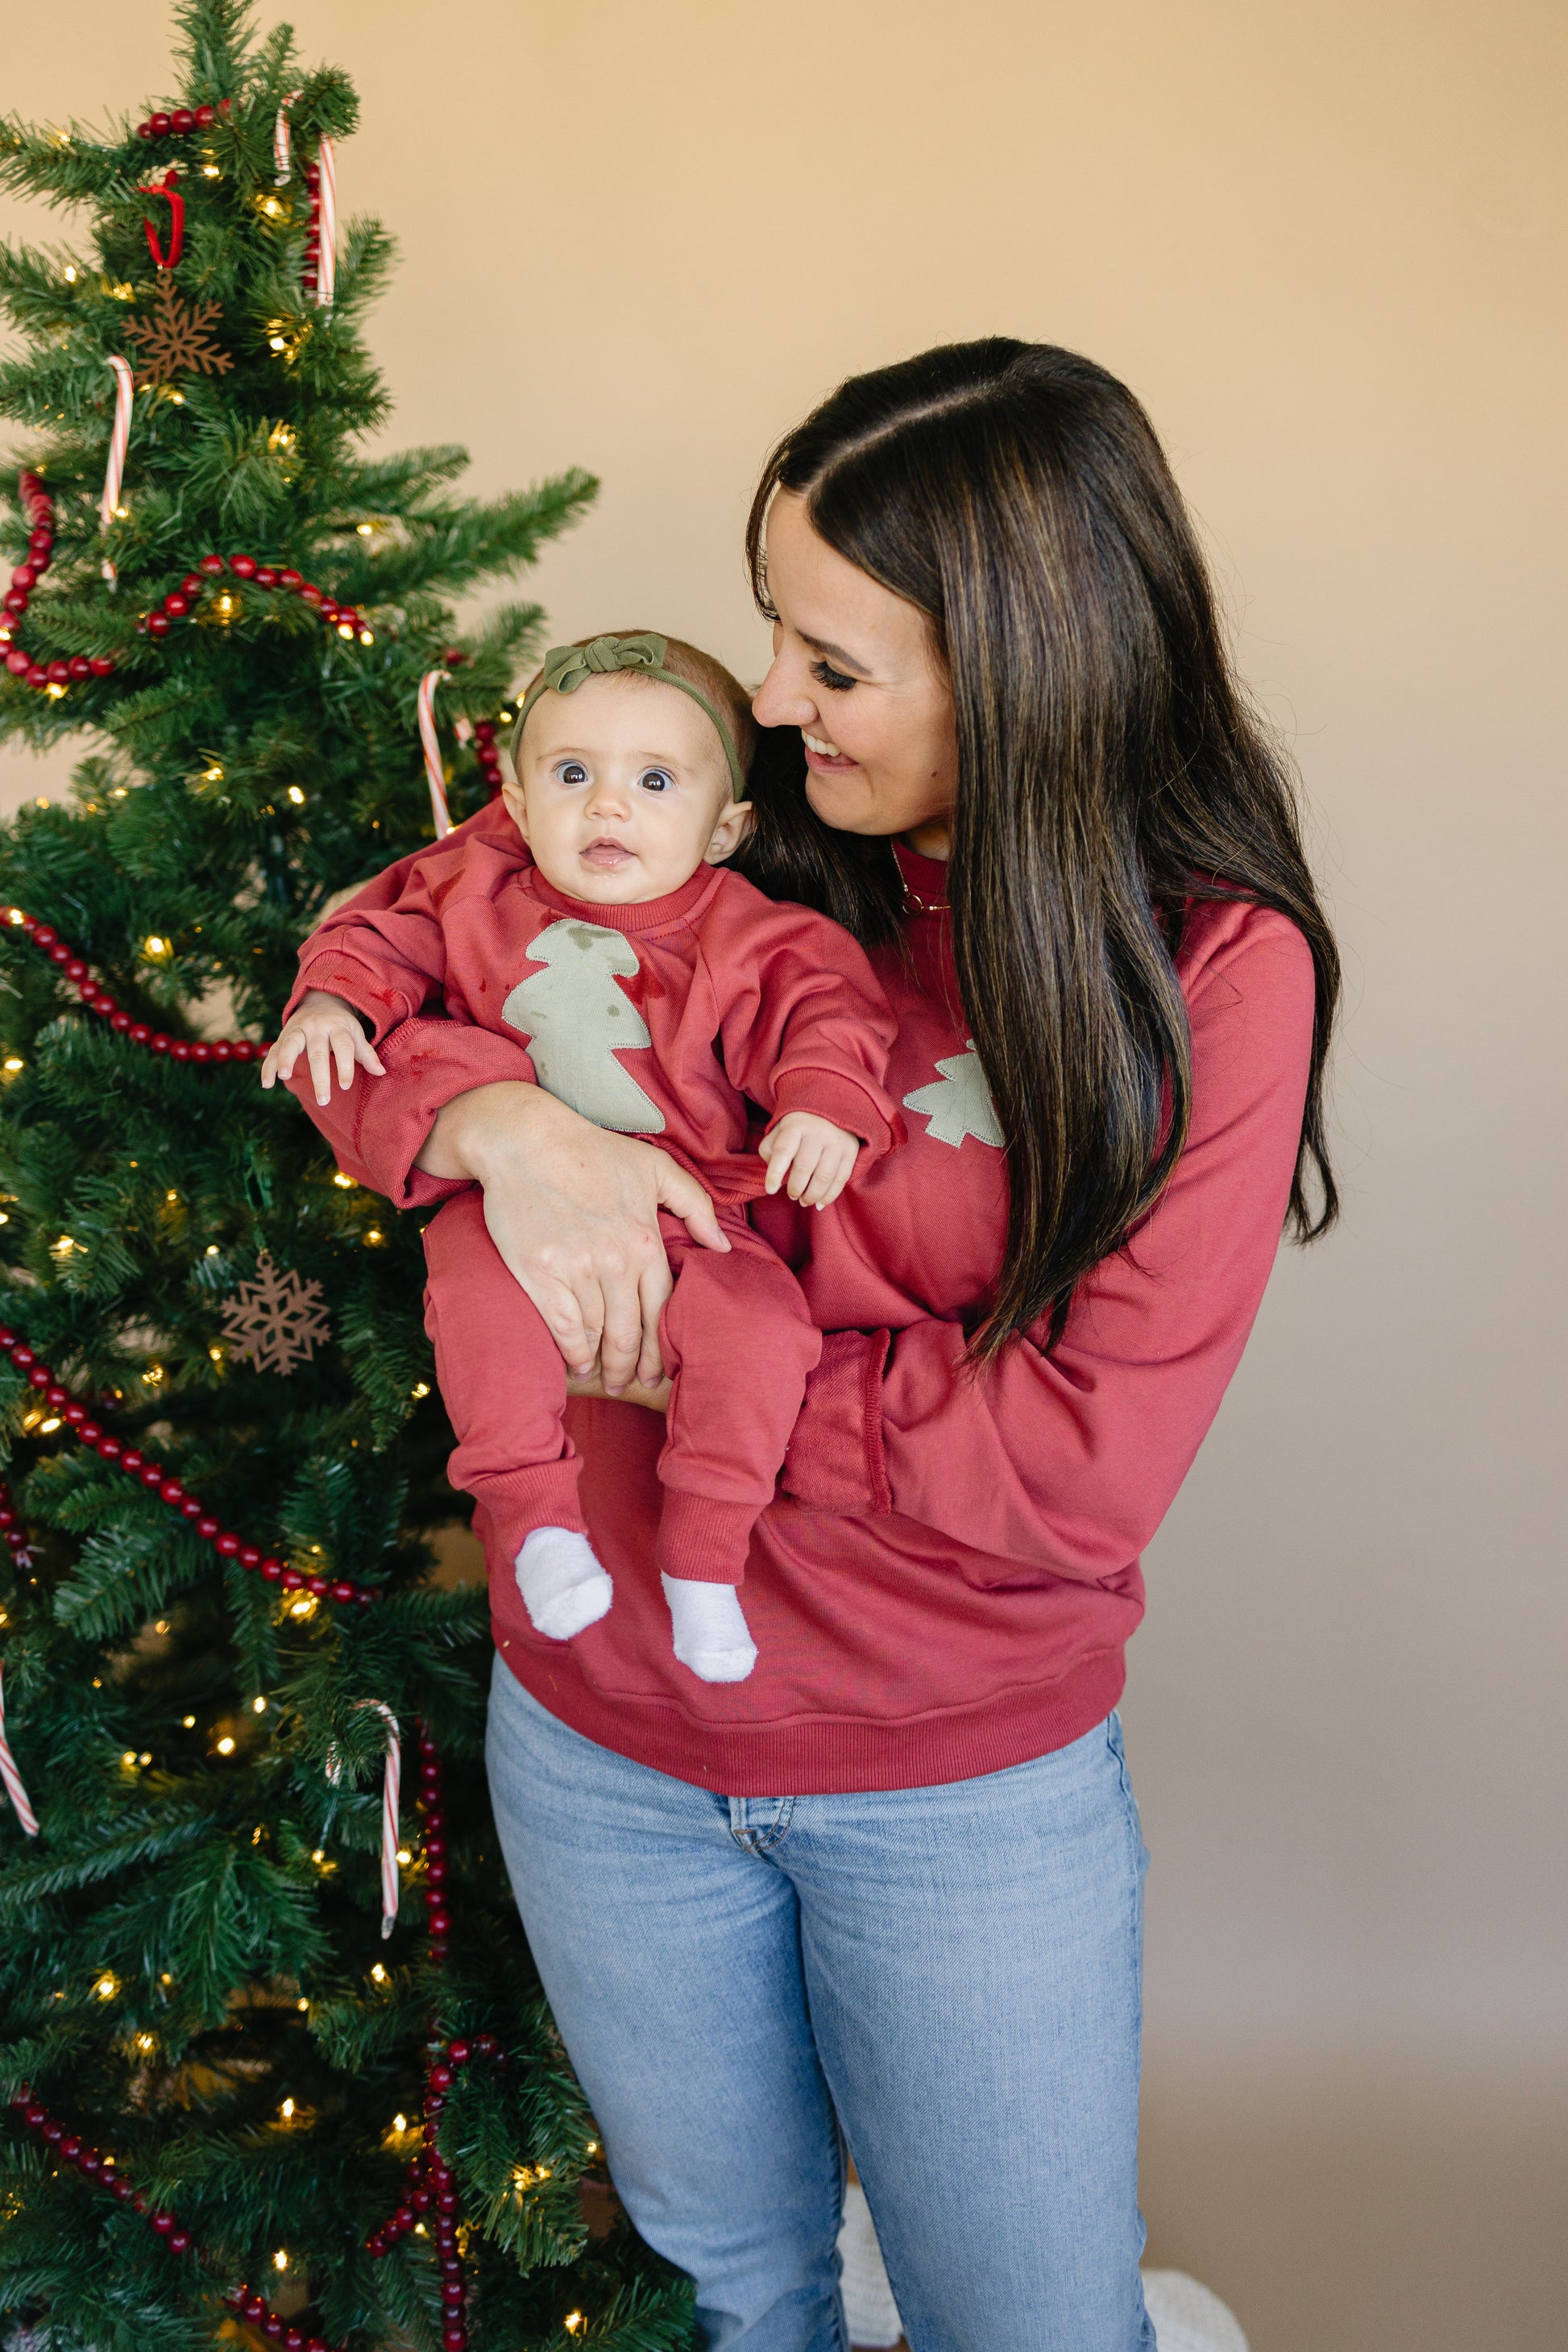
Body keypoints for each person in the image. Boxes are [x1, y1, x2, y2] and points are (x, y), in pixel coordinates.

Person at [288, 339, 1339, 2352]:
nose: (761, 697)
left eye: (829, 663)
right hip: (600, 1731)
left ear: (1019, 671)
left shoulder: (1207, 962)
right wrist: (500, 1130)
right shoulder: (737, 839)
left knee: (1023, 2320)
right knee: (726, 2295)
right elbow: (399, 974)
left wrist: (670, 1359)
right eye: (770, 628)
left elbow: (1077, 1465)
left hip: (952, 1779)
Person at [263, 631, 901, 1684]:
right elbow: (379, 934)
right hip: (503, 1204)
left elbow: (825, 1015)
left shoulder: (753, 935)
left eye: (654, 781)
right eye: (571, 775)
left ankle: (705, 1555)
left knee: (762, 1334)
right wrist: (334, 1002)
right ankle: (536, 1519)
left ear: (725, 826)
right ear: (517, 805)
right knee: (479, 1311)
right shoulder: (472, 887)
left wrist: (823, 1108)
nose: (608, 806)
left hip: (696, 1207)